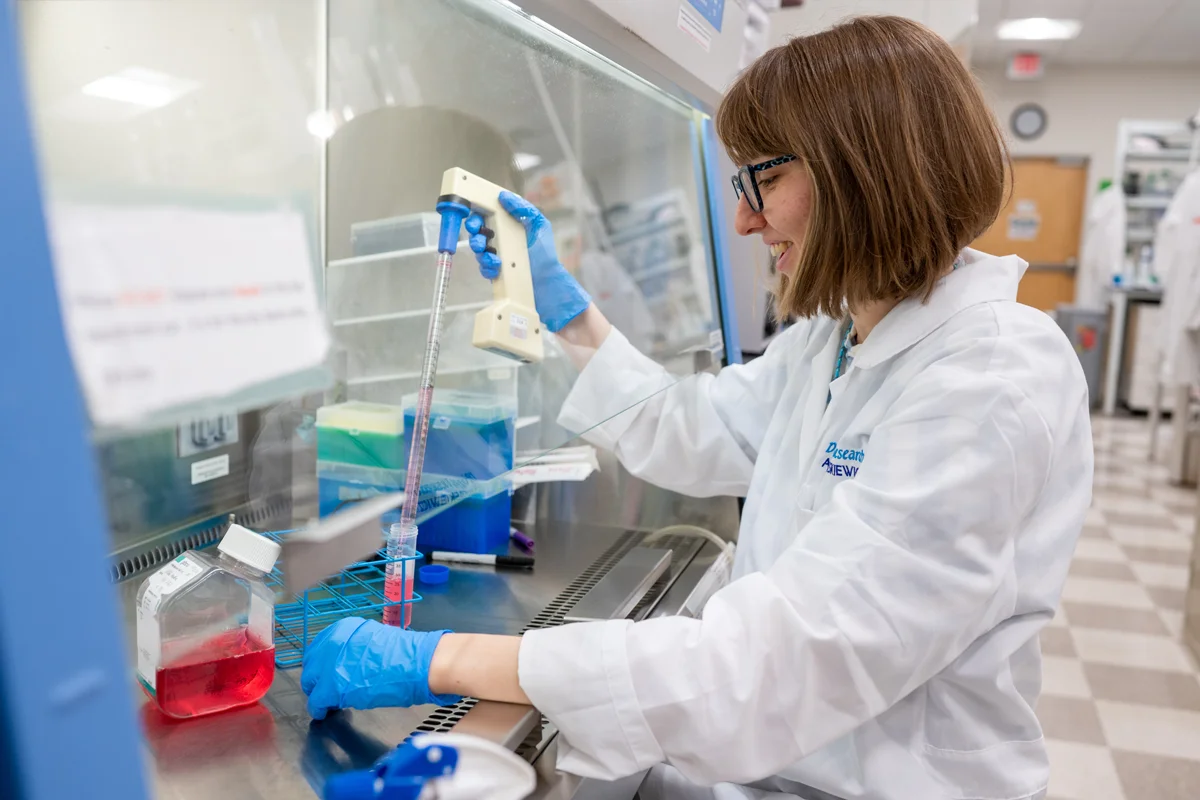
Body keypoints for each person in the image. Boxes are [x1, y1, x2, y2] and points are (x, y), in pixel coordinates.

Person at [301, 16, 1092, 800]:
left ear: (863, 171)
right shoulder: (834, 343)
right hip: (789, 769)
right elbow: (688, 426)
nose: (744, 218)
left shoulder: (991, 375)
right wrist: (567, 310)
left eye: (765, 180)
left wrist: (434, 660)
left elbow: (778, 666)